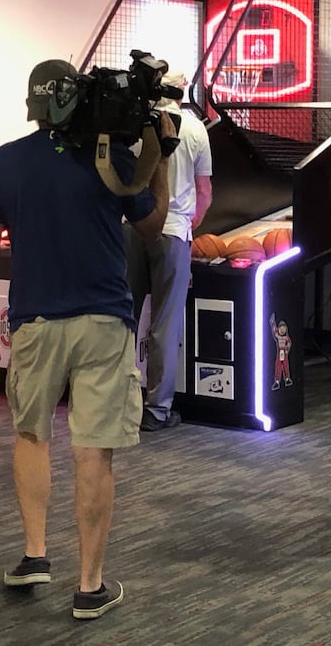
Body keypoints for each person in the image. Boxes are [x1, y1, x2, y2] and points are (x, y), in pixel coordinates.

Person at [0, 59, 171, 621]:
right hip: (104, 321)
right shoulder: (110, 158)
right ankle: (89, 585)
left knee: (31, 434)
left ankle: (36, 554)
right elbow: (153, 224)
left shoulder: (7, 160)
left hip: (34, 323)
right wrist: (162, 156)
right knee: (93, 449)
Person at [125, 71, 212, 431]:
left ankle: (116, 400)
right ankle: (156, 410)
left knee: (122, 320)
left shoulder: (133, 124)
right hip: (173, 231)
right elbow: (204, 190)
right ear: (183, 93)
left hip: (132, 227)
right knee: (164, 323)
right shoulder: (194, 129)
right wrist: (191, 225)